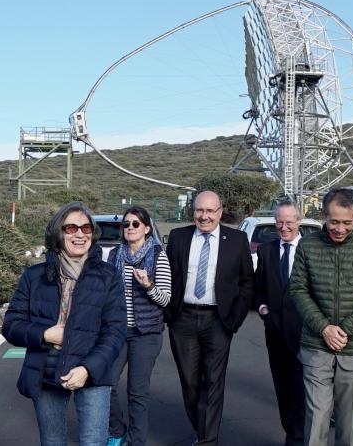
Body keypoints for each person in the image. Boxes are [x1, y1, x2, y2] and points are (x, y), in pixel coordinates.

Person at [1, 202, 126, 446]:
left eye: (86, 228)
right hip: (46, 373)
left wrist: (87, 369)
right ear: (58, 233)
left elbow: (115, 330)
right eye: (71, 228)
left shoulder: (108, 275)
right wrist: (45, 334)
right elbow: (11, 325)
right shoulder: (34, 277)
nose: (80, 234)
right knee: (53, 441)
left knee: (93, 442)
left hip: (91, 373)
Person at [289, 188, 353, 446]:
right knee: (317, 419)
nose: (340, 229)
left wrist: (343, 329)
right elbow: (298, 289)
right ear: (324, 215)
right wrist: (324, 329)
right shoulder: (307, 245)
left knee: (347, 424)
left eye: (347, 223)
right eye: (334, 221)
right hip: (315, 347)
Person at [163, 190, 256, 445]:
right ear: (193, 211)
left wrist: (234, 319)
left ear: (220, 212)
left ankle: (207, 441)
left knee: (214, 382)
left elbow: (247, 282)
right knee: (190, 382)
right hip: (182, 319)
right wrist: (169, 313)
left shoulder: (236, 240)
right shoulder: (178, 237)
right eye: (199, 211)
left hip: (218, 319)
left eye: (210, 211)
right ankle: (202, 430)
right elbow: (168, 276)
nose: (204, 216)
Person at [107, 206, 172, 446]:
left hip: (146, 333)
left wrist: (148, 285)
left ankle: (136, 441)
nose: (130, 228)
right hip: (117, 332)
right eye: (126, 224)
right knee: (106, 383)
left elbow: (166, 299)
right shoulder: (115, 255)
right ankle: (116, 430)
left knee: (137, 392)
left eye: (136, 224)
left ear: (146, 228)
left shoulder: (157, 255)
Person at [254, 202, 308, 446]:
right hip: (275, 332)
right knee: (283, 389)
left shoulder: (311, 248)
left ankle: (298, 438)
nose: (284, 227)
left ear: (299, 221)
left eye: (289, 222)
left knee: (301, 390)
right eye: (279, 222)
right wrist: (263, 309)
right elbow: (258, 287)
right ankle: (291, 432)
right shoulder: (266, 250)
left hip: (306, 333)